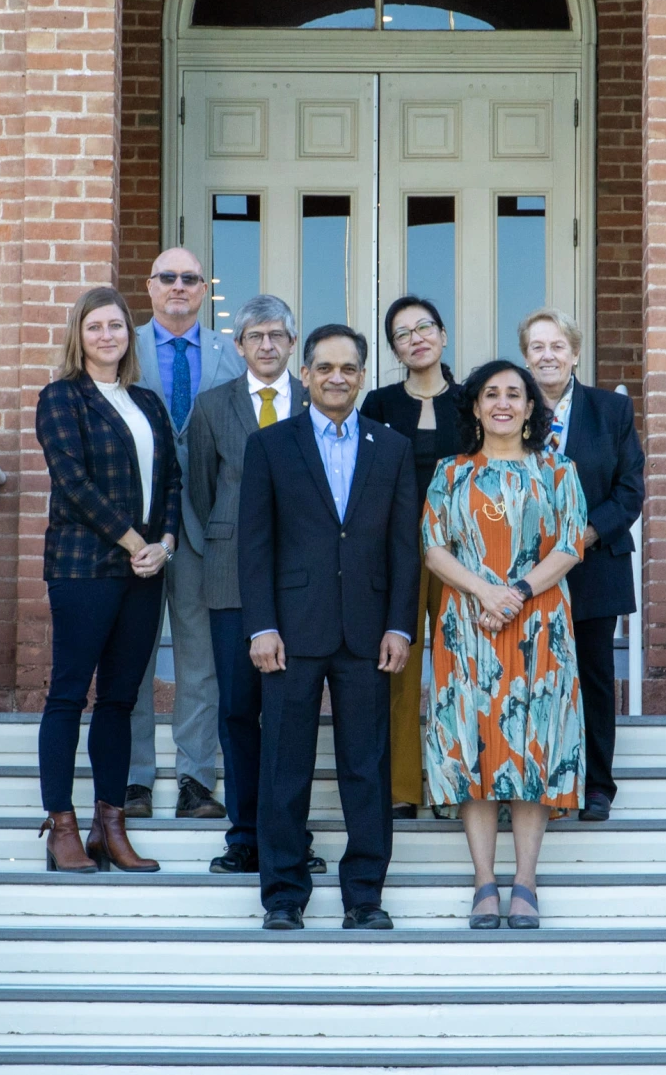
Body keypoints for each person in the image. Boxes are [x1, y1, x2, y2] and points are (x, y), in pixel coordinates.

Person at [238, 324, 420, 931]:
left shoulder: (390, 447)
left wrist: (400, 625)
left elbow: (403, 547)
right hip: (289, 631)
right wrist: (260, 626)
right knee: (283, 768)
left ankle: (364, 895)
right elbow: (254, 546)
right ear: (306, 374)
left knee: (366, 769)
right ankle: (284, 896)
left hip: (370, 633)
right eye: (324, 367)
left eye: (348, 368)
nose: (336, 377)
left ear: (363, 376)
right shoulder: (270, 445)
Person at [422, 360, 587, 929]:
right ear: (473, 407)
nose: (502, 403)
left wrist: (513, 592)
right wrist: (484, 593)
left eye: (514, 394)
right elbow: (433, 547)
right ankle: (483, 881)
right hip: (466, 626)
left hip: (539, 626)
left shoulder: (559, 471)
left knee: (531, 743)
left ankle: (526, 882)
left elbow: (569, 546)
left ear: (530, 408)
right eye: (490, 394)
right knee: (475, 746)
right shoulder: (450, 473)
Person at [35, 286, 182, 874]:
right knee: (69, 695)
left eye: (116, 327)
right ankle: (61, 826)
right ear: (80, 334)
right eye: (95, 327)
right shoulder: (61, 398)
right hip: (83, 566)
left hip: (147, 571)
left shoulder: (146, 401)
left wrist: (165, 546)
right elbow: (72, 483)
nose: (106, 337)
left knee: (120, 701)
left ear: (129, 335)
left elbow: (171, 481)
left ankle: (109, 825)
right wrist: (135, 542)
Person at [187, 294, 326, 879]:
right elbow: (199, 489)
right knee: (240, 709)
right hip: (230, 577)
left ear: (293, 344)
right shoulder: (212, 406)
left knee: (291, 714)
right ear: (238, 345)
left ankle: (290, 834)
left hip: (305, 581)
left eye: (277, 335)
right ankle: (244, 834)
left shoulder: (318, 402)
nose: (267, 345)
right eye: (255, 336)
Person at [125, 247, 244, 821]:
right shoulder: (125, 346)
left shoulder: (231, 354)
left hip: (203, 528)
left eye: (190, 278)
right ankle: (134, 780)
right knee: (134, 657)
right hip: (137, 531)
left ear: (204, 290)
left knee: (201, 661)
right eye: (167, 277)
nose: (178, 286)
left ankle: (197, 779)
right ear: (150, 287)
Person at [520, 308, 645, 822]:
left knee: (591, 674)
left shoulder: (609, 412)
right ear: (525, 357)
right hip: (525, 572)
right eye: (536, 347)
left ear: (575, 353)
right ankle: (543, 781)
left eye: (557, 346)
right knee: (531, 676)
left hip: (594, 565)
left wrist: (583, 535)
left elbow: (630, 491)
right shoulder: (511, 408)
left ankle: (597, 786)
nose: (547, 356)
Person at [360, 296, 462, 819]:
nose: (416, 337)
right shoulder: (377, 405)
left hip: (463, 558)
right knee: (398, 669)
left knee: (459, 672)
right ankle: (402, 787)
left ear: (443, 335)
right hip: (396, 552)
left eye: (425, 326)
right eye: (402, 333)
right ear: (395, 349)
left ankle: (453, 783)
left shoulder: (472, 401)